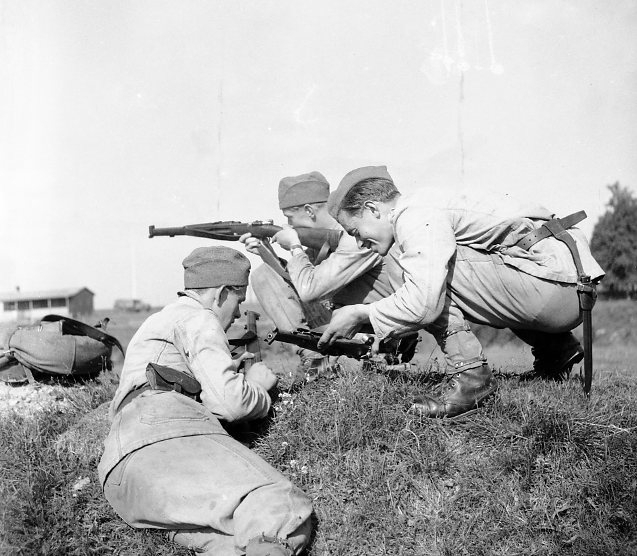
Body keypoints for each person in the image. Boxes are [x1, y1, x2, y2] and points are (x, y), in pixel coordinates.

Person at [318, 165, 605, 419]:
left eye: (355, 232)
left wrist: (360, 313)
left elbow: (423, 304)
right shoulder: (423, 204)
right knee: (428, 269)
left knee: (420, 274)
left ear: (372, 209)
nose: (360, 243)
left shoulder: (413, 215)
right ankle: (556, 351)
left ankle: (472, 378)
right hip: (567, 289)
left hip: (557, 287)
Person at [98, 246, 313, 556]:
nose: (237, 313)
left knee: (233, 545)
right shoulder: (199, 317)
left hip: (121, 471)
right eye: (238, 300)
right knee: (280, 505)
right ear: (221, 293)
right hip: (165, 432)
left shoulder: (159, 320)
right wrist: (258, 388)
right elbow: (231, 404)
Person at [240, 170, 408, 375]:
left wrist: (294, 246)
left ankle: (331, 362)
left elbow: (309, 290)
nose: (289, 225)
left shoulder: (357, 237)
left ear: (309, 211)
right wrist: (267, 252)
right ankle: (315, 360)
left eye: (290, 218)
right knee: (265, 275)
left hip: (373, 331)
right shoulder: (322, 244)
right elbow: (295, 284)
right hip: (344, 324)